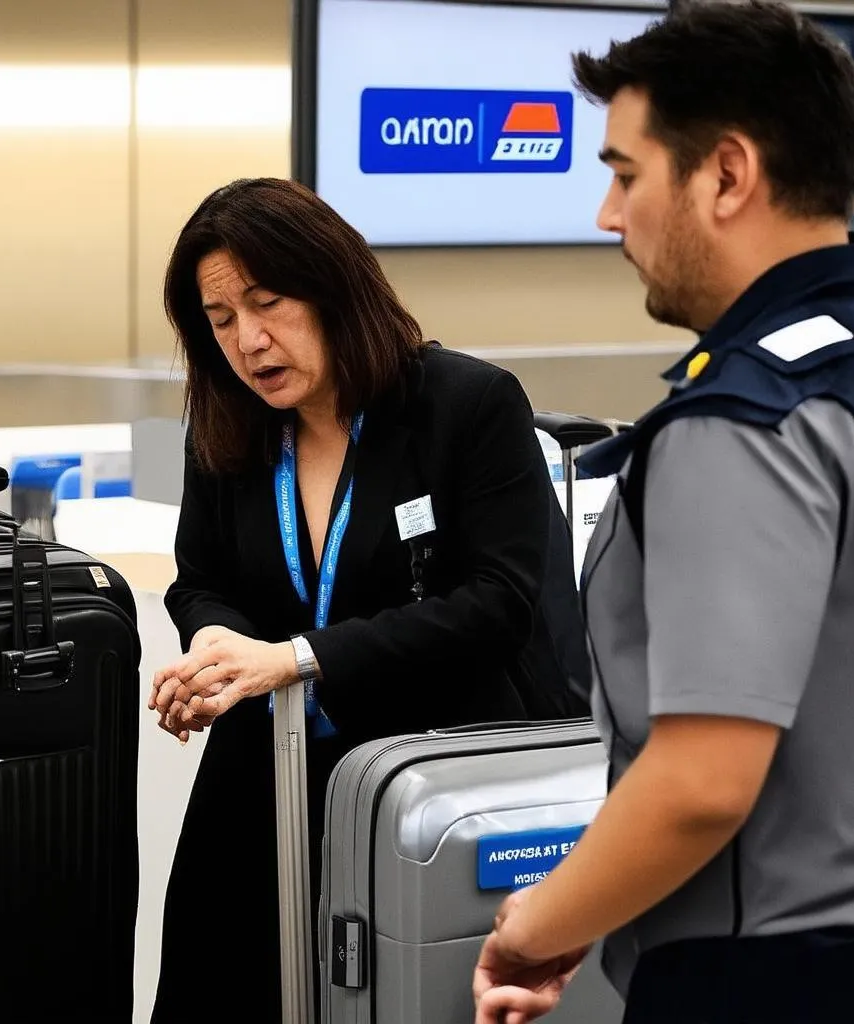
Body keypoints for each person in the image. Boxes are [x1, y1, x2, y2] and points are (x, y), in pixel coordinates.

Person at [472, 2, 854, 1022]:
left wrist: (536, 926)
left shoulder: (742, 418)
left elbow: (700, 782)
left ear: (726, 174)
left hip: (774, 974)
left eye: (625, 173)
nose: (607, 215)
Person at [146, 177, 586, 1023]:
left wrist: (295, 658)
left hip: (419, 783)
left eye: (268, 303)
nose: (250, 341)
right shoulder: (226, 426)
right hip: (261, 780)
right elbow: (200, 578)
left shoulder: (466, 404)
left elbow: (497, 604)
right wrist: (217, 653)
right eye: (221, 318)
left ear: (335, 287)